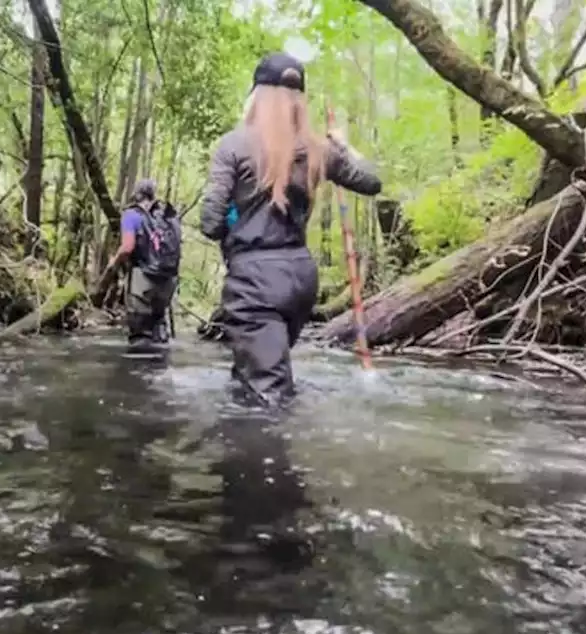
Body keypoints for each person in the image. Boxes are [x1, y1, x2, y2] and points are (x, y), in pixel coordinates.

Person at [200, 52, 382, 405]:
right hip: (301, 280)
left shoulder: (234, 145)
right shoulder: (319, 149)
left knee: (268, 399)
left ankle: (267, 459)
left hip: (254, 283)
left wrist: (236, 223)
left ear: (256, 95)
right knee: (250, 380)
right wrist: (344, 147)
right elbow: (373, 181)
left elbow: (210, 222)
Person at [106, 178, 182, 351]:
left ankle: (138, 376)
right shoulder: (168, 215)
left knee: (140, 335)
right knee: (158, 330)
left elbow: (127, 248)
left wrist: (114, 264)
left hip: (143, 279)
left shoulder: (131, 215)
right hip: (168, 280)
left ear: (136, 195)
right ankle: (160, 374)